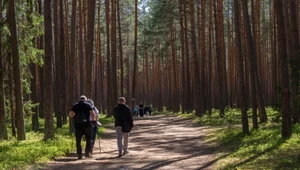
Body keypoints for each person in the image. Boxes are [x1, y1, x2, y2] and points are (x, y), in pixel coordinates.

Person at [69, 95, 96, 159]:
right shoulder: (88, 105)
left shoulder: (75, 105)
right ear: (85, 100)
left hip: (78, 126)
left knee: (78, 140)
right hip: (87, 125)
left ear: (80, 99)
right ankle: (87, 153)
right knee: (88, 139)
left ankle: (79, 155)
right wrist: (94, 120)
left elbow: (70, 115)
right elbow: (93, 114)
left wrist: (75, 117)